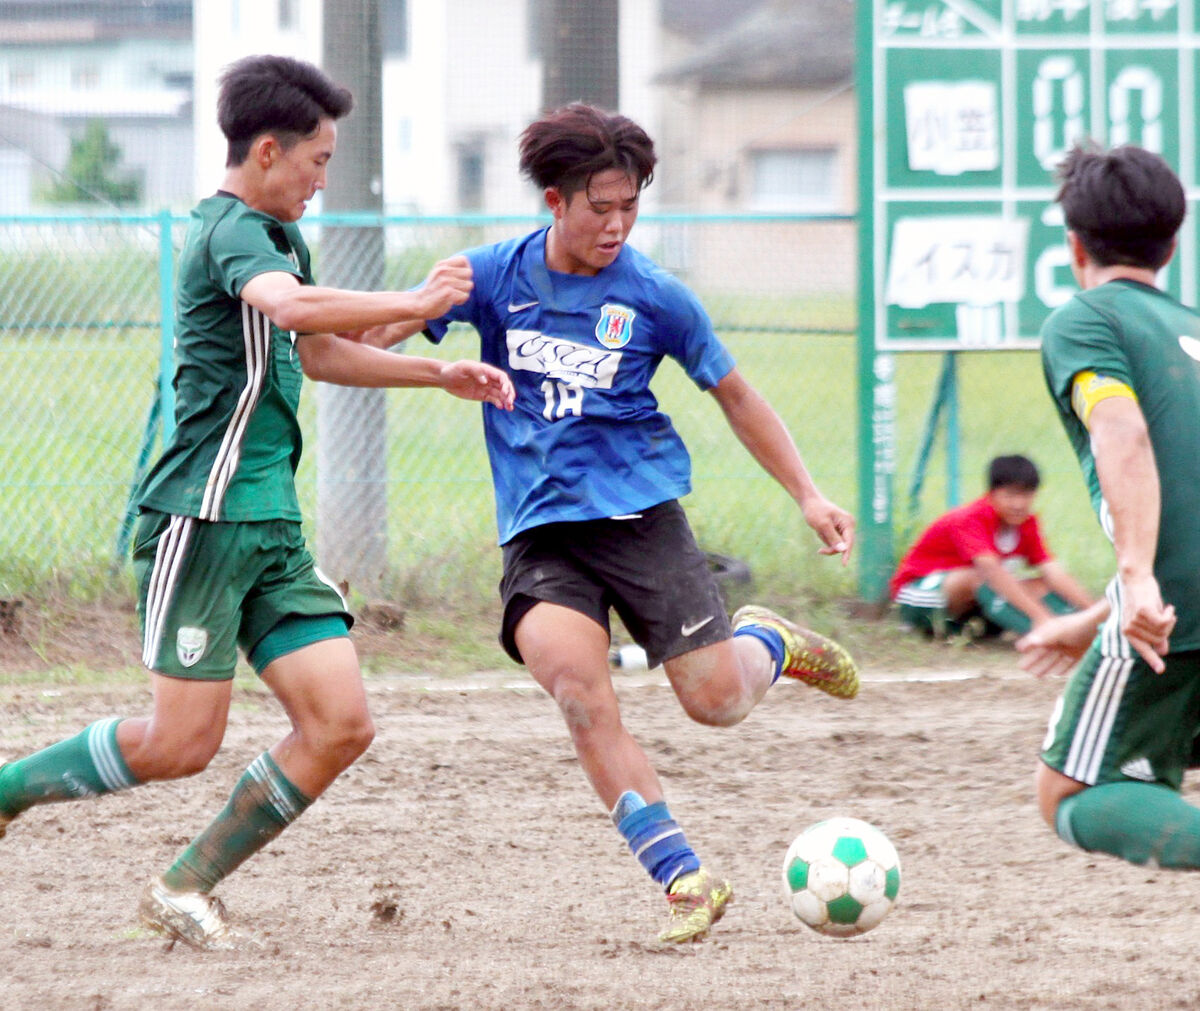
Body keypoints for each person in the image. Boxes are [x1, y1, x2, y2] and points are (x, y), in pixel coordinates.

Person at [0, 54, 514, 950]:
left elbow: (313, 351)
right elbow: (291, 310)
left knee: (340, 723)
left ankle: (184, 884)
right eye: (317, 161)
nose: (323, 178)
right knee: (178, 744)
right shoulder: (232, 233)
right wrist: (419, 298)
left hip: (270, 525)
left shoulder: (279, 236)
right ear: (268, 152)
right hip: (202, 521)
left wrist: (436, 370)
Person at [354, 103, 859, 943]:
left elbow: (735, 395)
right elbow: (359, 347)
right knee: (577, 691)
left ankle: (766, 641)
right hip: (543, 532)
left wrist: (807, 493)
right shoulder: (491, 275)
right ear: (554, 201)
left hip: (641, 519)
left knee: (717, 703)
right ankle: (683, 877)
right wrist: (418, 305)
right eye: (601, 207)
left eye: (631, 206)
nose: (618, 224)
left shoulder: (657, 297)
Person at [1022, 141, 1200, 871]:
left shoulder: (1086, 321)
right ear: (1174, 241)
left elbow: (1121, 430)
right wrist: (1096, 615)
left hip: (1177, 604)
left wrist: (1139, 579)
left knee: (1070, 789)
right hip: (1176, 593)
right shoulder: (1190, 328)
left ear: (1073, 243)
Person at [889, 454, 1094, 640]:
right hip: (918, 597)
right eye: (1011, 495)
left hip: (969, 604)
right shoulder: (970, 518)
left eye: (1026, 495)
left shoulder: (1027, 523)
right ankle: (1047, 632)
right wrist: (1043, 618)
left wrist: (1093, 613)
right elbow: (992, 572)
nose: (1019, 504)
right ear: (992, 493)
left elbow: (1053, 571)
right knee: (982, 577)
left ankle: (1088, 631)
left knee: (1039, 585)